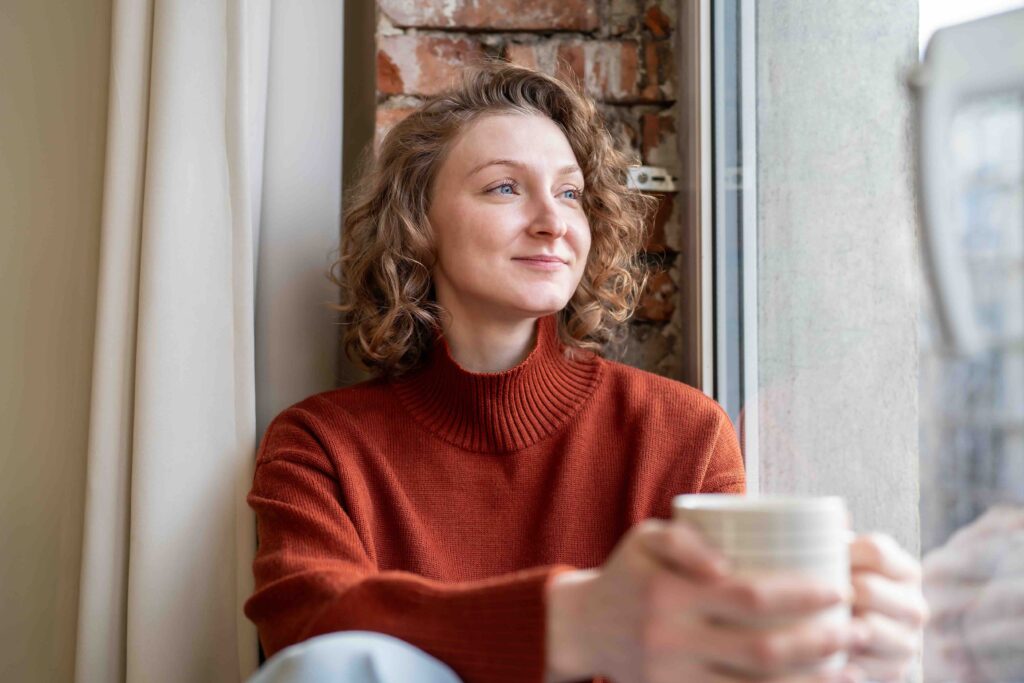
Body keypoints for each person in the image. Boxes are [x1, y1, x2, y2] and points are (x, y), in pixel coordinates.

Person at [243, 59, 928, 683]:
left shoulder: (682, 430)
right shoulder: (320, 443)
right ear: (418, 223)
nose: (552, 222)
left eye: (569, 195)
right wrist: (575, 618)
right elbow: (307, 629)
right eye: (505, 187)